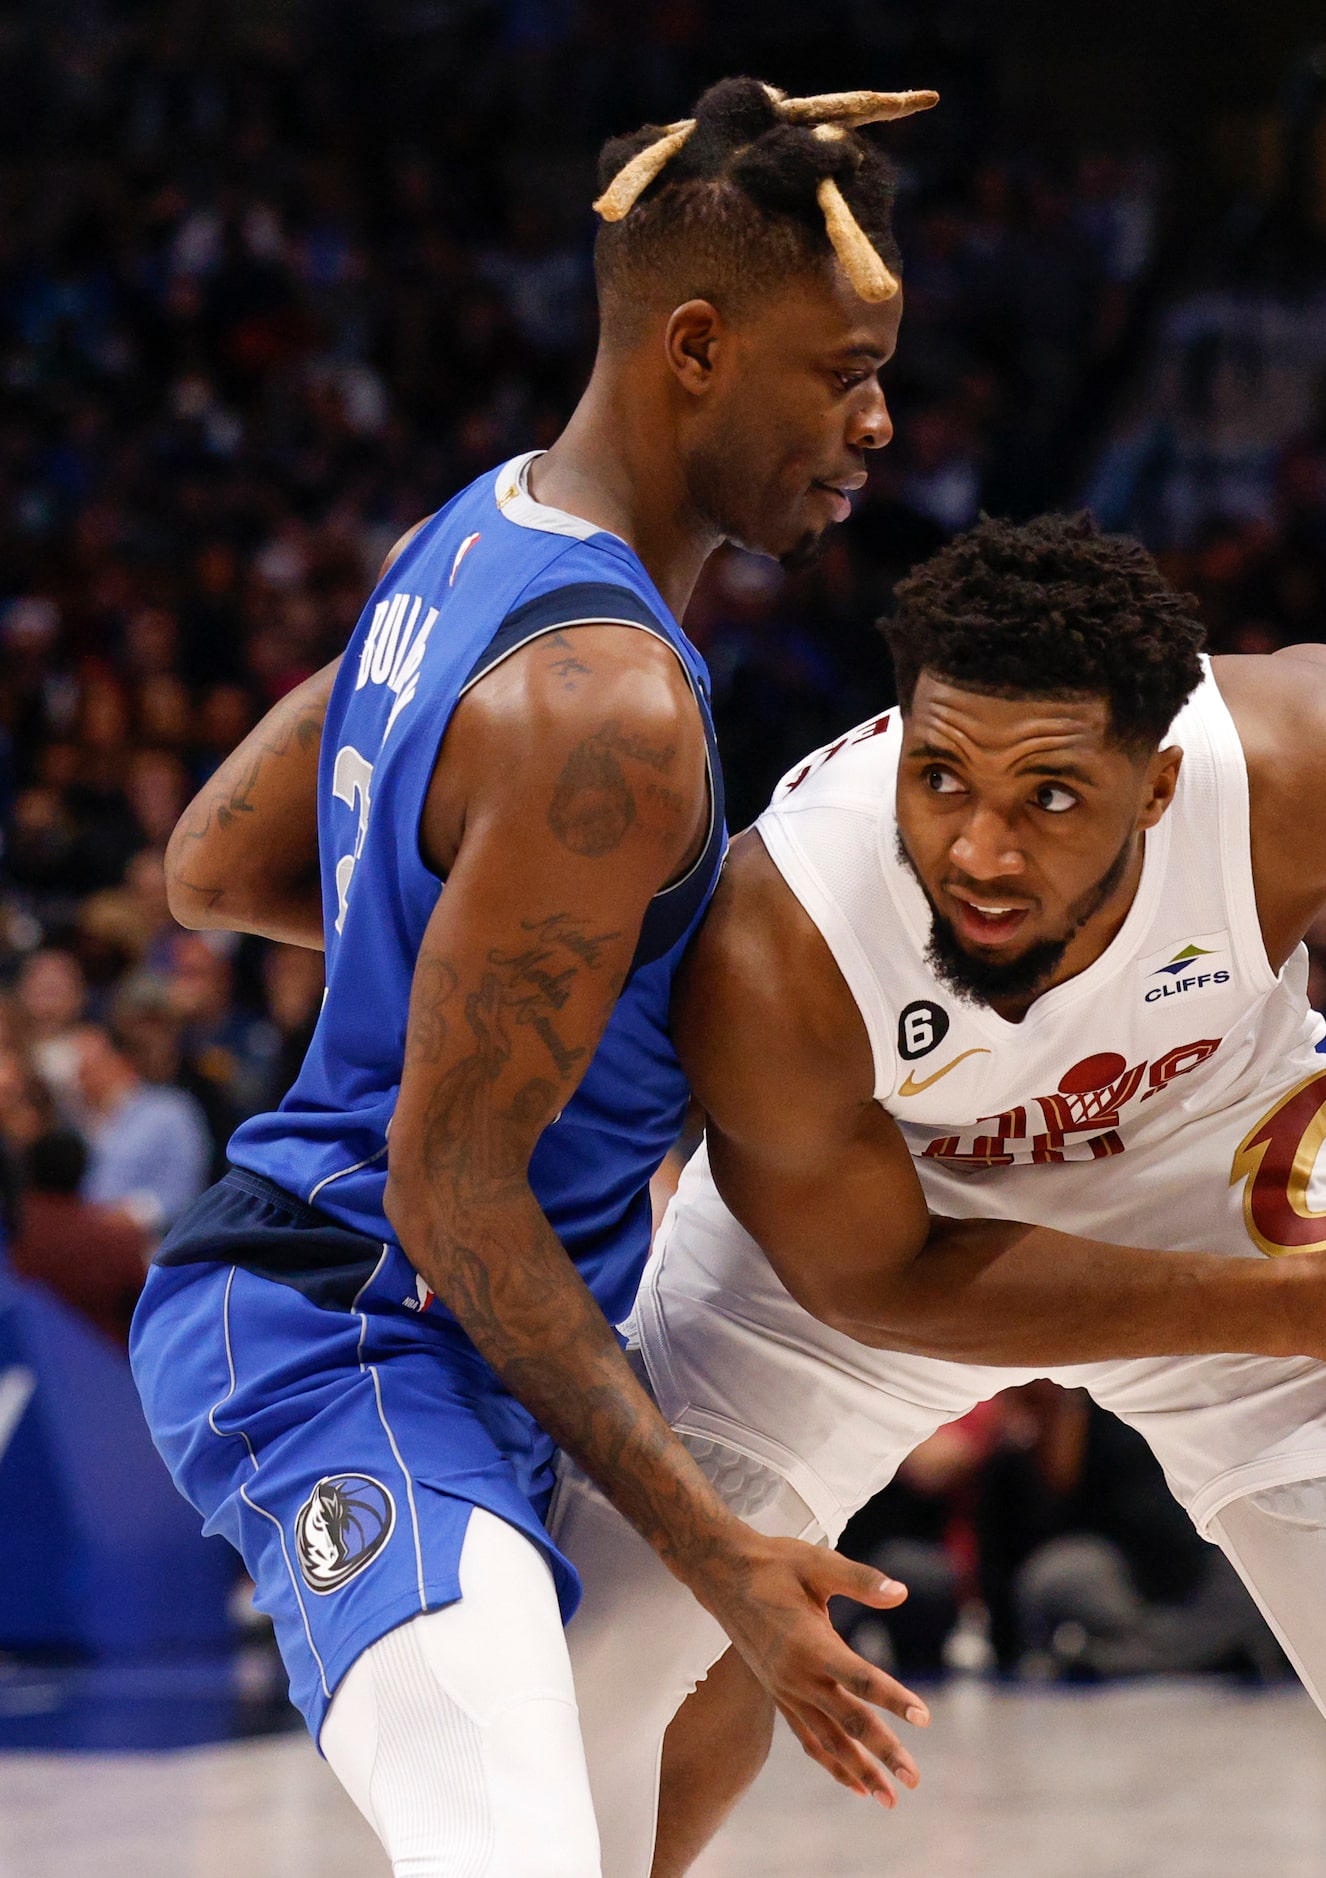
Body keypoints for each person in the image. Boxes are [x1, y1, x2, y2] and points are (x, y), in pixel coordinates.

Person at [591, 513, 1326, 1876]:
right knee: (618, 1648)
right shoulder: (781, 937)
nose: (981, 853)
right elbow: (875, 1280)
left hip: (1208, 1155)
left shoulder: (1292, 757)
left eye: (1050, 796)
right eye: (939, 780)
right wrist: (1300, 1306)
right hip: (891, 1217)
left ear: (1160, 784)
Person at [130, 77, 946, 1878]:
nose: (877, 422)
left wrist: (506, 963)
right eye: (844, 370)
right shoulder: (610, 710)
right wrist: (718, 1557)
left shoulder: (476, 527)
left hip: (468, 1336)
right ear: (699, 347)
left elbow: (216, 863)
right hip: (352, 1327)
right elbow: (445, 1176)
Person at [8, 1127, 150, 1346]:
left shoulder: (14, 1233)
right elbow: (144, 1307)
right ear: (83, 1170)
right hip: (106, 1367)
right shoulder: (115, 1240)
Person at [69, 1022, 212, 1232]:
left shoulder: (170, 1111)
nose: (80, 1071)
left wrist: (135, 1214)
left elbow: (186, 1185)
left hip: (152, 1243)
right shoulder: (73, 1120)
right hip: (86, 1240)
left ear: (120, 1061)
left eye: (89, 1062)